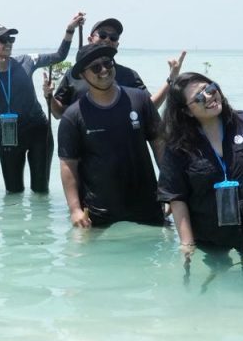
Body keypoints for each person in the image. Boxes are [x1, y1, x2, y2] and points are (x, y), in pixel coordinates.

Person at [158, 73, 243, 258]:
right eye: (198, 97)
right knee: (217, 281)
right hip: (209, 234)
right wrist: (187, 244)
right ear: (187, 111)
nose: (209, 96)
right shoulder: (179, 145)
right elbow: (177, 197)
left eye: (210, 89)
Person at [58, 43, 164, 227]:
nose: (104, 70)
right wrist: (75, 209)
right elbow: (68, 165)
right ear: (83, 75)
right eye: (96, 67)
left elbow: (160, 145)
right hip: (99, 213)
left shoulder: (140, 99)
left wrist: (170, 191)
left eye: (108, 63)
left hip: (147, 206)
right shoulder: (73, 116)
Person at [0, 13, 84, 193]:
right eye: (3, 39)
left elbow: (59, 56)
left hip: (38, 129)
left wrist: (70, 30)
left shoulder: (26, 61)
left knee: (41, 190)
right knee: (13, 191)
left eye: (11, 38)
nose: (9, 42)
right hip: (9, 132)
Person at [49, 17, 186, 119]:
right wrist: (48, 96)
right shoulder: (74, 74)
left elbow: (149, 107)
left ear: (117, 45)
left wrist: (171, 80)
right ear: (90, 40)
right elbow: (58, 114)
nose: (108, 39)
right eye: (102, 35)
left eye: (113, 37)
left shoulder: (129, 75)